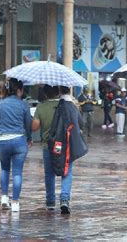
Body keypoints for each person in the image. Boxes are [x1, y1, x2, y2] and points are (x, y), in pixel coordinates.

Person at [32, 85, 84, 214]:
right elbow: (79, 123)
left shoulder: (41, 107)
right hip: (65, 145)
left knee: (49, 174)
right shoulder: (68, 105)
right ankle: (65, 200)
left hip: (47, 146)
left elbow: (35, 127)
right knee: (67, 171)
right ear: (57, 92)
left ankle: (50, 202)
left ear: (45, 93)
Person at [0, 78, 32, 213]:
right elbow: (28, 124)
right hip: (19, 140)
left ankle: (4, 198)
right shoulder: (24, 105)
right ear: (19, 90)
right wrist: (29, 138)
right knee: (17, 172)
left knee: (5, 170)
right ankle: (15, 203)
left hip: (2, 140)